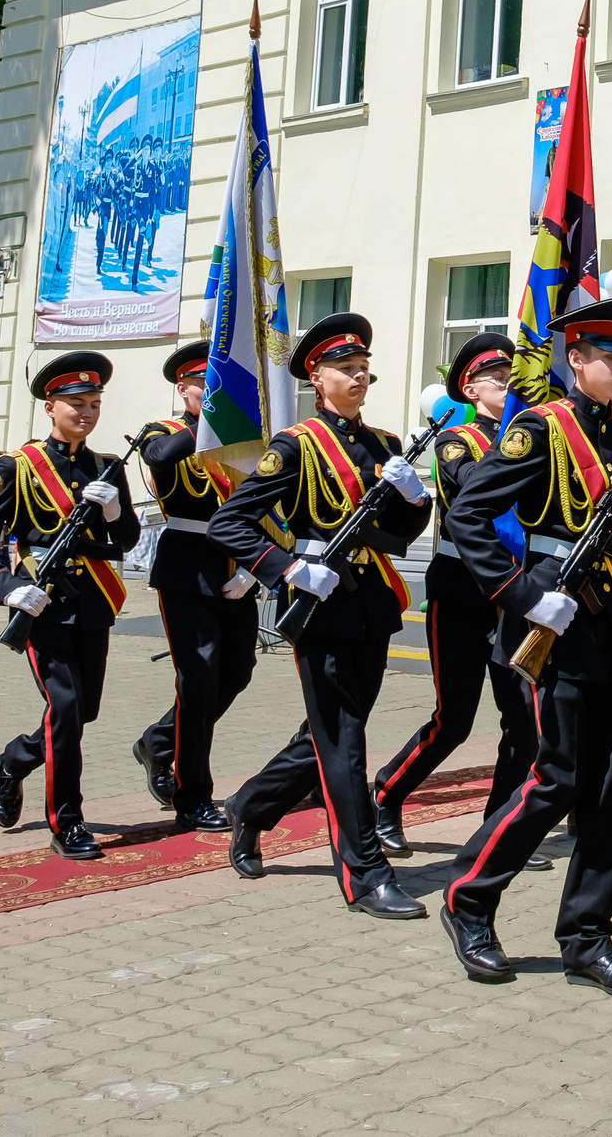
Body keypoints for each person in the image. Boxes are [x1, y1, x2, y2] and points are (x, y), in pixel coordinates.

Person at [436, 298, 612, 997]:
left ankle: (587, 936)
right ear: (575, 360)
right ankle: (469, 896)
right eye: (609, 356)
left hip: (608, 618)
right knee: (558, 774)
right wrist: (520, 593)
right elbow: (471, 510)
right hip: (551, 612)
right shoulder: (540, 429)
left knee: (609, 783)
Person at [214, 313, 433, 918]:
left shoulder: (385, 445)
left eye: (363, 366)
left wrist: (416, 499)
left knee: (331, 732)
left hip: (371, 602)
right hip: (319, 602)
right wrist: (285, 568)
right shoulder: (295, 446)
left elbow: (397, 535)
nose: (359, 375)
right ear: (317, 375)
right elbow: (228, 522)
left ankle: (251, 808)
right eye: (345, 367)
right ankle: (364, 873)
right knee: (344, 740)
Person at [373, 333, 541, 857]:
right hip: (462, 589)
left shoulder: (531, 435)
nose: (509, 382)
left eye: (512, 375)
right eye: (496, 377)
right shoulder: (457, 440)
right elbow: (474, 489)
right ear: (469, 387)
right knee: (456, 719)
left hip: (514, 589)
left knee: (522, 716)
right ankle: (386, 792)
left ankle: (501, 825)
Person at [0, 353, 144, 861]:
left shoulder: (106, 466)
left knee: (82, 711)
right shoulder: (19, 467)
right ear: (50, 407)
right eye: (76, 404)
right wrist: (6, 587)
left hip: (93, 601)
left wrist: (113, 509)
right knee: (64, 710)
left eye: (93, 404)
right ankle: (67, 821)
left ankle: (14, 761)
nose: (86, 413)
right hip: (40, 603)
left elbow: (127, 539)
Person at [131, 341, 261, 832]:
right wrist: (208, 419)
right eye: (201, 386)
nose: (211, 394)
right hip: (189, 567)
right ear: (183, 390)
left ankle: (159, 742)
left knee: (237, 671)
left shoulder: (245, 441)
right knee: (199, 679)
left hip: (239, 565)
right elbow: (161, 458)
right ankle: (192, 795)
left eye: (217, 387)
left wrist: (254, 564)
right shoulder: (164, 432)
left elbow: (263, 503)